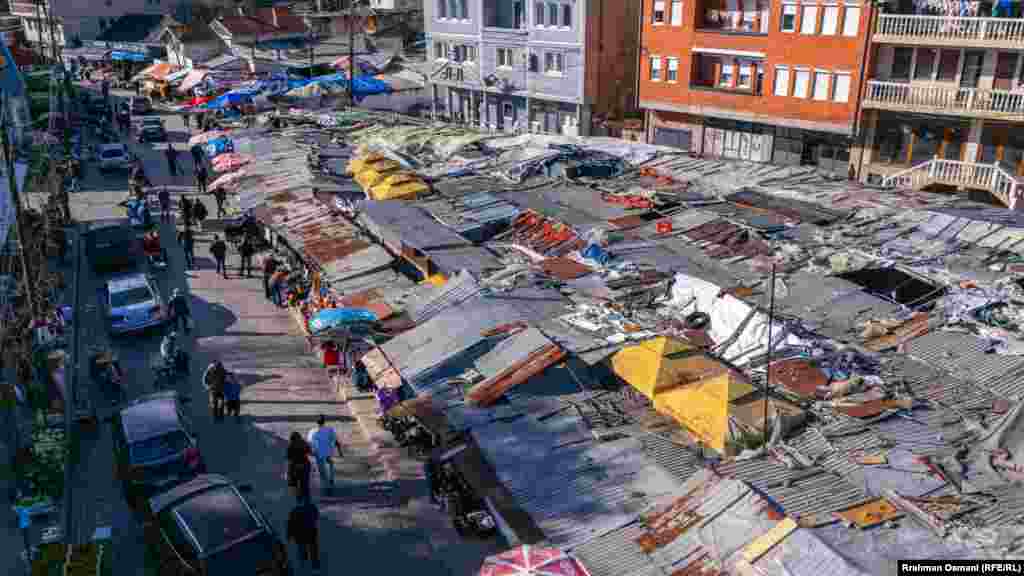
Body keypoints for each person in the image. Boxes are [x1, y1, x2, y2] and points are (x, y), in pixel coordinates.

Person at [308, 415, 343, 495]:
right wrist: (340, 451)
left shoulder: (312, 432)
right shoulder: (329, 430)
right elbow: (335, 441)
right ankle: (331, 479)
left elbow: (309, 443)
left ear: (316, 422)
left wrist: (310, 452)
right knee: (330, 464)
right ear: (324, 422)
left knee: (322, 471)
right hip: (328, 452)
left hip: (318, 453)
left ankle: (325, 486)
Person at [287, 501, 321, 575]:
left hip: (300, 535)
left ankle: (305, 564)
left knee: (303, 549)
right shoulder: (311, 507)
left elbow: (290, 524)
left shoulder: (295, 510)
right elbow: (316, 516)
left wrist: (289, 536)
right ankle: (315, 567)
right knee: (313, 550)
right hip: (310, 532)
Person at [287, 432, 312, 504]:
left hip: (295, 466)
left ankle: (298, 498)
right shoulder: (304, 443)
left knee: (293, 483)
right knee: (305, 484)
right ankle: (307, 500)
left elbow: (288, 457)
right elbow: (310, 451)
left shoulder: (290, 445)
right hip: (305, 465)